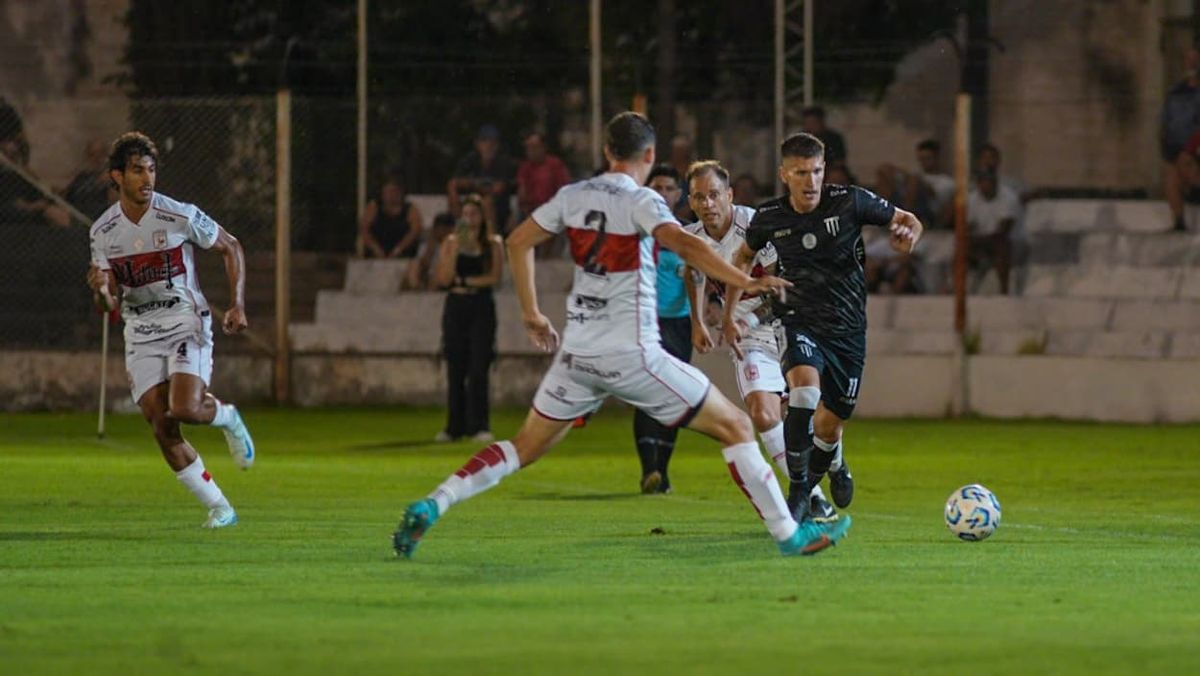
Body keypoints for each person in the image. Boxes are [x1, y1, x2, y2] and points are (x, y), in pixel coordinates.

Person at [393, 112, 851, 560]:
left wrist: (532, 313)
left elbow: (517, 242)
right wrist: (745, 280)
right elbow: (687, 245)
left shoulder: (572, 195)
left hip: (577, 355)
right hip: (632, 354)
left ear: (607, 151)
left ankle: (435, 503)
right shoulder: (641, 200)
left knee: (523, 447)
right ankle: (789, 534)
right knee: (735, 426)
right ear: (649, 154)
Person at [726, 132, 922, 522]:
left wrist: (907, 238)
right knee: (802, 393)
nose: (811, 180)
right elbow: (743, 258)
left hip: (849, 330)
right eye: (801, 172)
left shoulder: (849, 201)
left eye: (816, 171)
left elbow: (907, 220)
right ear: (785, 174)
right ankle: (800, 493)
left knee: (829, 428)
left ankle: (835, 465)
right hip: (799, 319)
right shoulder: (770, 218)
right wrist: (732, 309)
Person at [85, 131, 256, 528]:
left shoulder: (177, 214)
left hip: (184, 320)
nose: (147, 179)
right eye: (137, 171)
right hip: (140, 331)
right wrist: (102, 292)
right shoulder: (102, 232)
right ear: (117, 177)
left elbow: (231, 246)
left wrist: (238, 304)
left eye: (151, 170)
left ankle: (227, 417)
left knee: (185, 408)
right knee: (162, 426)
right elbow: (108, 302)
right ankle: (221, 508)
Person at [683, 159, 835, 520]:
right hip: (746, 336)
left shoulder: (757, 226)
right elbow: (694, 272)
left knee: (813, 414)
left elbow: (785, 288)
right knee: (764, 415)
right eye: (699, 197)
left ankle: (837, 464)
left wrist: (746, 317)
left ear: (730, 195)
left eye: (714, 195)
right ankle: (813, 498)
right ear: (691, 202)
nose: (708, 204)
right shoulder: (693, 238)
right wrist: (698, 321)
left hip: (789, 324)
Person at [632, 164, 692, 493]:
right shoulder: (638, 232)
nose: (663, 193)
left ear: (679, 194)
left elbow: (698, 281)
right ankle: (648, 469)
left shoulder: (684, 236)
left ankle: (662, 471)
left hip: (678, 324)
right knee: (644, 395)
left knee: (674, 396)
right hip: (644, 322)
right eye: (657, 187)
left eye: (669, 188)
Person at [434, 194, 504, 443]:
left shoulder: (493, 243)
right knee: (456, 365)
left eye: (474, 214)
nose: (470, 219)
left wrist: (467, 281)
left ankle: (480, 425)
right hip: (456, 305)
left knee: (478, 366)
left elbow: (494, 277)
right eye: (466, 214)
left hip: (481, 306)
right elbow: (444, 278)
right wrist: (455, 249)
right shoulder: (451, 242)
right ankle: (454, 426)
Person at [448, 124, 517, 235]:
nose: (489, 145)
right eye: (484, 141)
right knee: (454, 195)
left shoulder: (504, 163)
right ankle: (460, 233)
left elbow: (497, 189)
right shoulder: (470, 160)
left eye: (493, 142)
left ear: (498, 145)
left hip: (498, 209)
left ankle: (491, 240)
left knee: (486, 202)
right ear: (477, 144)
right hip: (472, 203)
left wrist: (473, 184)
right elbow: (455, 182)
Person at [1161, 43, 1200, 232]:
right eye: (1188, 61)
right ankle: (1179, 222)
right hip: (1177, 147)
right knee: (1171, 176)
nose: (1191, 65)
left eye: (1195, 60)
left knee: (1186, 163)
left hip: (1195, 147)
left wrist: (1192, 149)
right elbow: (1167, 120)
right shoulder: (1176, 92)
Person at [967, 169, 1025, 295]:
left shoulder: (1009, 198)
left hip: (1009, 241)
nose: (986, 186)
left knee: (1001, 246)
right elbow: (968, 226)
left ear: (995, 183)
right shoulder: (972, 199)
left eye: (989, 182)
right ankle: (956, 289)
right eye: (983, 182)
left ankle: (1004, 290)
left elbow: (1004, 229)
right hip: (982, 239)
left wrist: (980, 239)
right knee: (961, 245)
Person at [517, 130, 573, 258]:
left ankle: (547, 258)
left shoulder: (555, 165)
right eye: (528, 148)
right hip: (531, 210)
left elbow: (565, 190)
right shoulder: (525, 168)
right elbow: (522, 192)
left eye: (535, 147)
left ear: (543, 148)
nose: (531, 151)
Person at [876, 139, 954, 230]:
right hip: (904, 203)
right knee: (884, 170)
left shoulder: (946, 181)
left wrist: (915, 181)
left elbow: (934, 196)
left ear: (937, 158)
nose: (923, 162)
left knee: (914, 180)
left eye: (927, 158)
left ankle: (906, 221)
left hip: (926, 212)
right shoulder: (916, 176)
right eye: (921, 159)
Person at [359, 168, 423, 259]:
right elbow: (364, 229)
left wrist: (398, 250)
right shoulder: (374, 207)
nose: (390, 195)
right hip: (376, 254)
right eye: (387, 191)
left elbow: (414, 232)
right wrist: (376, 249)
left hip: (403, 255)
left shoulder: (411, 209)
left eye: (394, 191)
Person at [63, 139, 117, 221]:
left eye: (100, 154)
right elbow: (68, 194)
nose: (96, 158)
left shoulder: (112, 176)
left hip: (94, 217)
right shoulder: (82, 176)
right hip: (73, 213)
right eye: (92, 154)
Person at [403, 212, 457, 290]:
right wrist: (430, 249)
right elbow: (423, 265)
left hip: (445, 277)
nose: (444, 233)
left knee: (437, 275)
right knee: (413, 265)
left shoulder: (455, 244)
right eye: (441, 229)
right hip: (428, 276)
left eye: (447, 230)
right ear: (435, 229)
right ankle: (416, 292)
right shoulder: (428, 243)